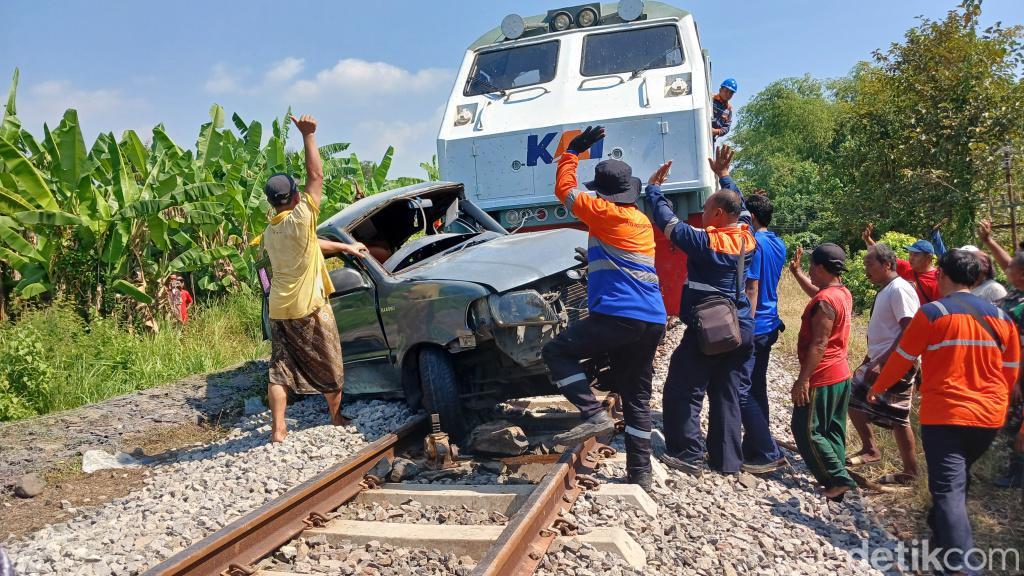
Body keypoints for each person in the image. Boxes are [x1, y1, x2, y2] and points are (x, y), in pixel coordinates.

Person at [869, 250, 1020, 575]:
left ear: (942, 277)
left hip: (947, 415)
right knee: (954, 480)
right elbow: (1010, 371)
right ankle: (939, 542)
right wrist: (998, 404)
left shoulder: (933, 313)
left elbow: (902, 359)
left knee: (949, 488)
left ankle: (964, 567)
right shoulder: (1003, 318)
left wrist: (878, 387)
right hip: (989, 417)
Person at [541, 126, 667, 491]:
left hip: (618, 316)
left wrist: (572, 153)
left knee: (556, 352)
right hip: (652, 319)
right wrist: (593, 254)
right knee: (636, 394)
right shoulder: (640, 220)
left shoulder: (602, 211)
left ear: (603, 192)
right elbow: (626, 259)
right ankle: (640, 472)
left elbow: (564, 190)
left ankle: (593, 414)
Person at [645, 144, 757, 477]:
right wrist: (724, 176)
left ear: (720, 215)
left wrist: (653, 190)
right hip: (742, 326)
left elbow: (668, 223)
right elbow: (741, 203)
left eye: (707, 209)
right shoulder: (746, 234)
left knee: (683, 387)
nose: (703, 214)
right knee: (727, 392)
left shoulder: (707, 242)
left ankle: (687, 453)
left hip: (710, 328)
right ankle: (728, 461)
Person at [262, 114, 368, 443]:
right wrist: (308, 135)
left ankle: (279, 430)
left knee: (279, 369)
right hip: (309, 307)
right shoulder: (301, 215)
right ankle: (336, 416)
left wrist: (345, 246)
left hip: (279, 309)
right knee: (332, 364)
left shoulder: (271, 230)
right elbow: (317, 174)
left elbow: (313, 244)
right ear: (295, 197)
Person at [846, 244, 921, 486]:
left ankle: (910, 471)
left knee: (899, 418)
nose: (866, 269)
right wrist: (871, 360)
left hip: (898, 364)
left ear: (887, 265)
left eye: (869, 264)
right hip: (880, 361)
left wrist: (884, 362)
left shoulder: (900, 289)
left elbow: (910, 329)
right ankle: (871, 449)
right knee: (853, 399)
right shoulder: (887, 289)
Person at [788, 243, 858, 501]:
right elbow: (818, 295)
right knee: (831, 430)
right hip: (841, 374)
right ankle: (834, 481)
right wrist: (796, 274)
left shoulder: (826, 301)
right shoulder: (841, 293)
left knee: (806, 430)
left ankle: (840, 480)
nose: (810, 271)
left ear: (818, 267)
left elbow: (819, 342)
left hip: (823, 374)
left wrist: (803, 380)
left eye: (810, 267)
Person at [737, 193, 787, 473]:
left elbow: (751, 288)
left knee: (740, 390)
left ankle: (768, 451)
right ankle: (755, 445)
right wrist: (725, 176)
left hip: (756, 326)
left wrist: (746, 326)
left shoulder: (754, 244)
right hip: (770, 325)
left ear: (752, 218)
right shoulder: (779, 243)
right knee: (757, 387)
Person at [979, 220, 1024, 488]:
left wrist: (1018, 380)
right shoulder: (1018, 291)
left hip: (1018, 374)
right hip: (1006, 367)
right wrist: (989, 241)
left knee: (1017, 426)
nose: (1009, 264)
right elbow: (1010, 264)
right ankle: (1011, 472)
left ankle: (1016, 475)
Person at [862, 222, 946, 304]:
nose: (911, 258)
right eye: (910, 254)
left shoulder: (938, 278)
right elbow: (882, 256)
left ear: (929, 257)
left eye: (916, 255)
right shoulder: (907, 267)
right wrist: (868, 239)